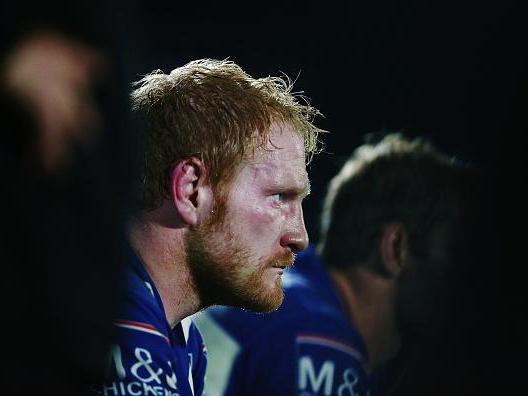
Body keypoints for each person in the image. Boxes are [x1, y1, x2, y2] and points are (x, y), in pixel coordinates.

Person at [95, 59, 323, 396]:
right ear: (190, 190)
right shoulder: (108, 315)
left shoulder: (185, 345)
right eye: (278, 197)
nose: (300, 237)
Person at [195, 133, 479, 396]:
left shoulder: (289, 300)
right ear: (396, 248)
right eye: (454, 254)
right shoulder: (319, 341)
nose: (469, 280)